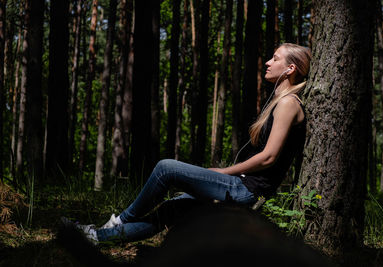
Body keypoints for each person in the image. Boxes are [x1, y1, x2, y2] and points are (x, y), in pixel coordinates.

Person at [62, 43, 311, 244]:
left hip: (246, 191)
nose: (268, 62)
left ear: (290, 69)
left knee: (166, 168)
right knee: (170, 210)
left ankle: (116, 222)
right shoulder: (278, 102)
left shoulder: (289, 104)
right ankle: (96, 237)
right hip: (241, 186)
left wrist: (223, 172)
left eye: (275, 58)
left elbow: (269, 157)